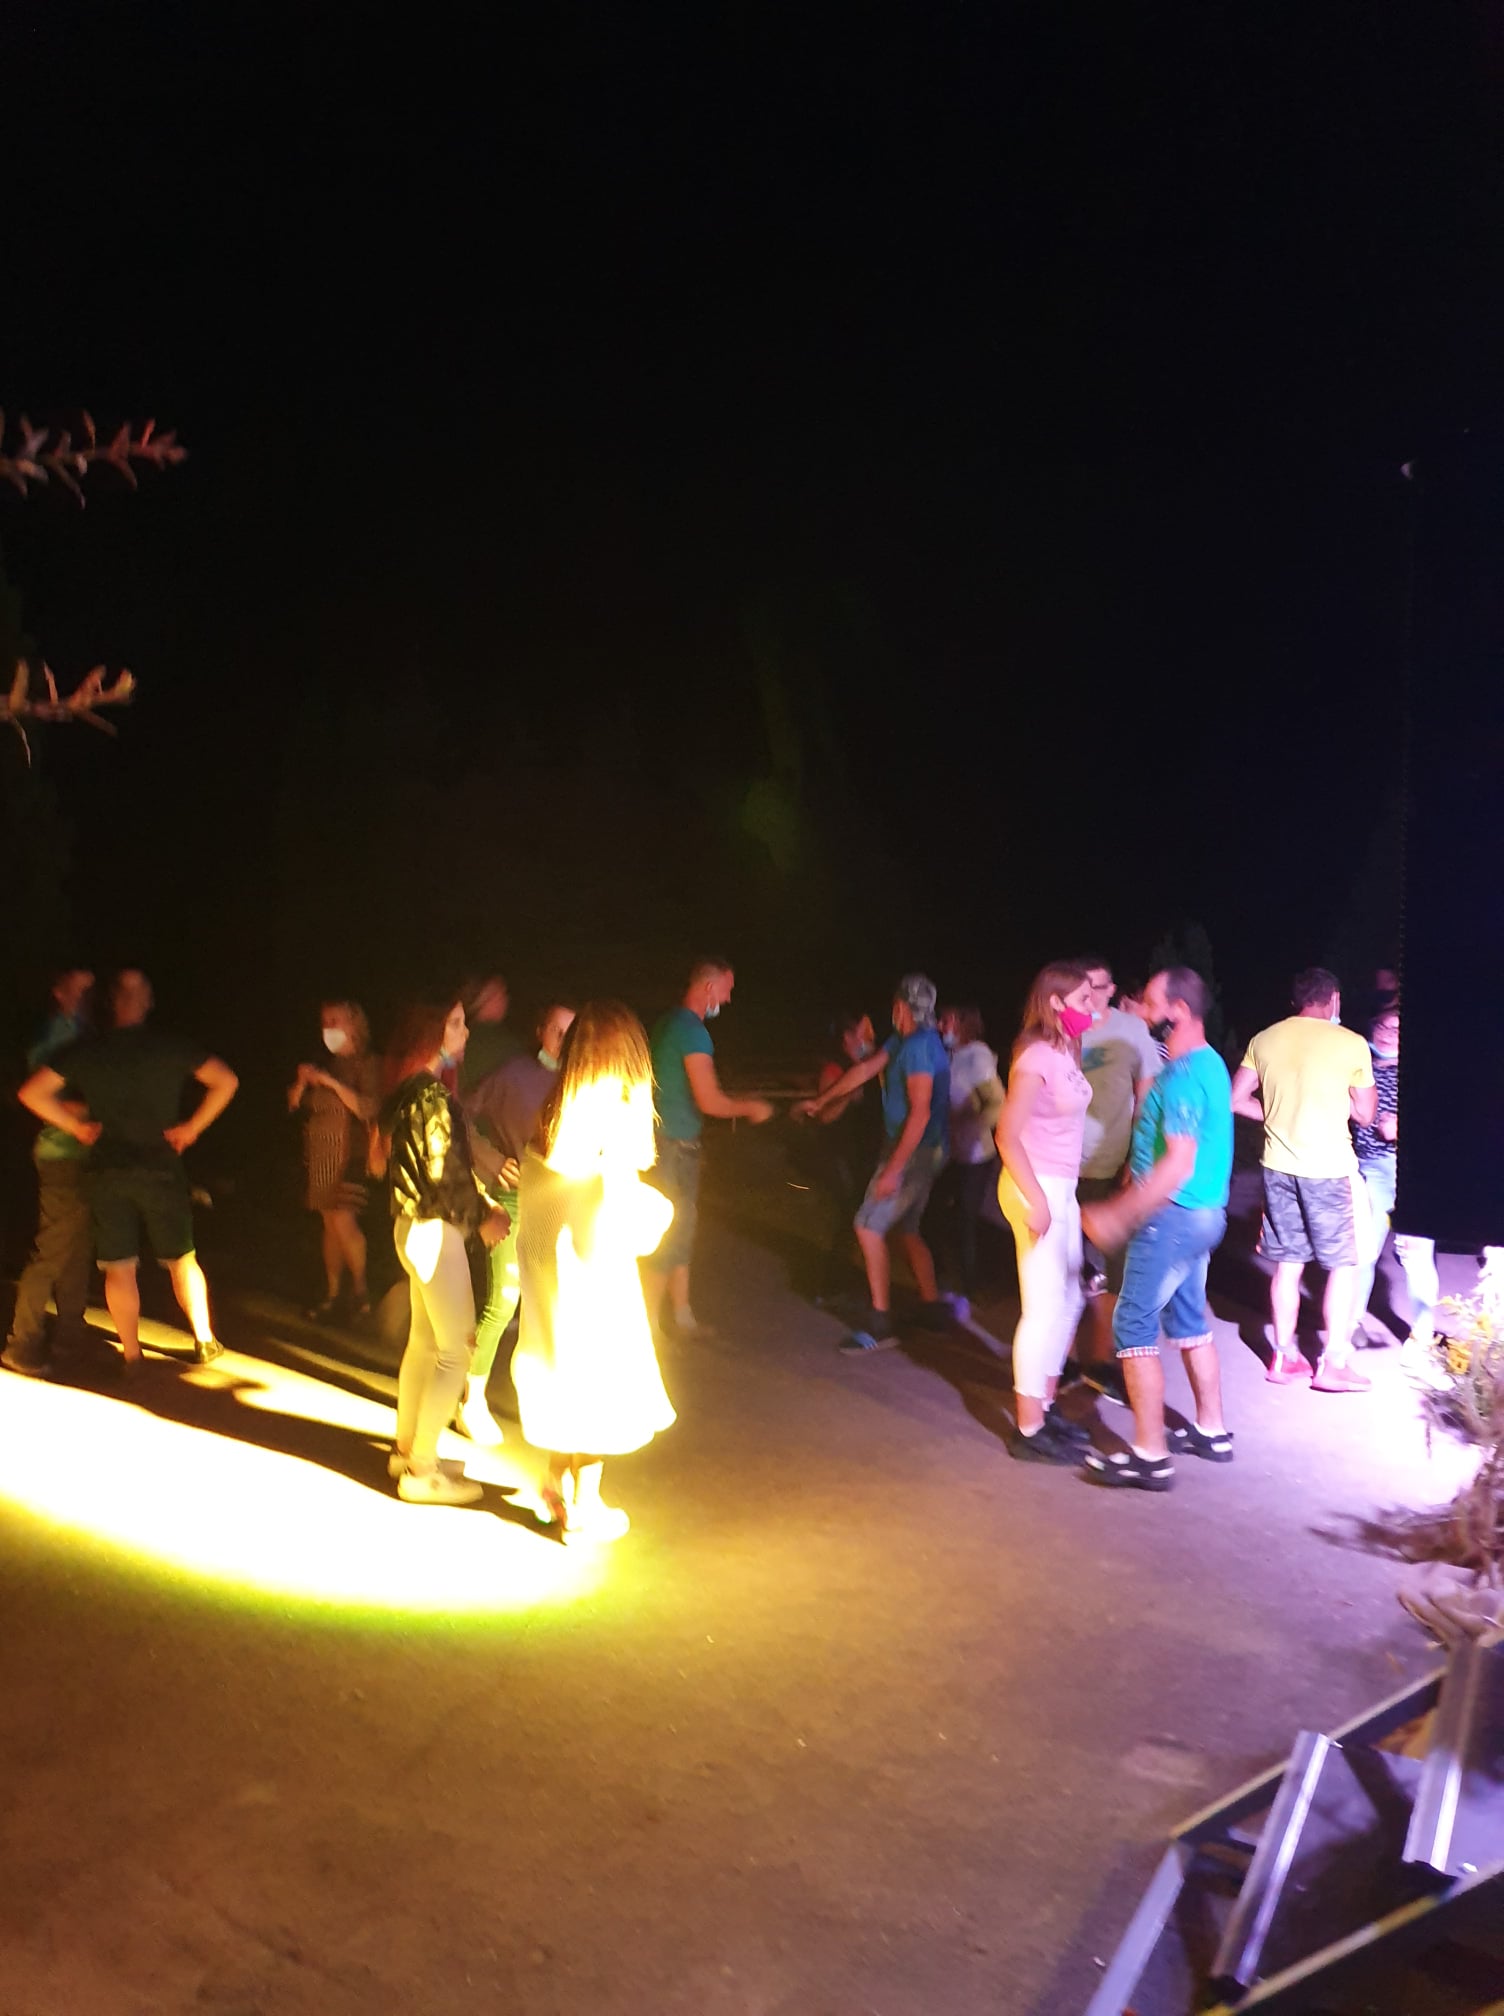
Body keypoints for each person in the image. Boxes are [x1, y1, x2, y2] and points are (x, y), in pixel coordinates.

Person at [16, 969, 237, 1373]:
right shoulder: (171, 1046)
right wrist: (192, 1128)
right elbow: (226, 1081)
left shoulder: (88, 1049)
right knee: (181, 1259)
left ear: (111, 1002)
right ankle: (204, 1339)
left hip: (107, 1169)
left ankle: (132, 1355)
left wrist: (78, 1128)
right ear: (148, 1002)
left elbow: (31, 1093)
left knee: (119, 1266)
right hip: (161, 1168)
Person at [513, 1000, 676, 1543]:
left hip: (549, 1282)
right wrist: (660, 1212)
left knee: (563, 1380)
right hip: (595, 1286)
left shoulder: (553, 1119)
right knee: (598, 1391)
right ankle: (585, 1508)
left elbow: (543, 1205)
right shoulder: (610, 1133)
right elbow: (625, 1226)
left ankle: (553, 1486)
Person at [1079, 966, 1235, 1491]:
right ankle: (1212, 1431)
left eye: (1150, 1004)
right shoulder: (1208, 1063)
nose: (1142, 1012)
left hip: (1171, 1219)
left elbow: (1177, 1164)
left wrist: (1118, 1214)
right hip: (1203, 1216)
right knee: (1188, 1320)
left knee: (1132, 1324)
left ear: (1179, 1012)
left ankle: (1150, 1456)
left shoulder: (1186, 1074)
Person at [379, 997, 510, 1505]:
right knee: (456, 1351)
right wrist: (483, 1216)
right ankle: (422, 1469)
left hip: (411, 1227)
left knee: (425, 1344)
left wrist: (477, 1204)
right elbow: (442, 1175)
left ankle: (409, 1448)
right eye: (455, 1023)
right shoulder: (432, 1096)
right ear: (430, 1032)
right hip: (436, 1232)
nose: (465, 1032)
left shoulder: (409, 1090)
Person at [1231, 967, 1378, 1392]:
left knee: (1288, 1265)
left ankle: (1283, 1357)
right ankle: (1333, 1363)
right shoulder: (1350, 1043)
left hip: (1279, 1168)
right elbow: (1366, 1114)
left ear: (1297, 1000)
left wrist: (1277, 1116)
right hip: (1331, 1171)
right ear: (1333, 999)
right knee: (1344, 1266)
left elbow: (1236, 1099)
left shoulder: (1264, 1039)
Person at [797, 973, 953, 1354]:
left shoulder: (918, 1046)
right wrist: (822, 1100)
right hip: (923, 1149)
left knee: (867, 1226)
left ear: (900, 1007)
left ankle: (880, 1321)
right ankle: (931, 1308)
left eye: (896, 1007)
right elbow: (865, 1069)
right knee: (907, 1228)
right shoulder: (905, 1039)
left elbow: (919, 1113)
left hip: (913, 1151)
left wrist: (894, 1170)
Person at [457, 1000, 577, 1443]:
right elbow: (460, 1115)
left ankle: (540, 1399)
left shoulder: (579, 1081)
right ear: (541, 1030)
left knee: (548, 1303)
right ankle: (471, 1398)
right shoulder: (513, 1074)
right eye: (557, 1029)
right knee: (504, 1299)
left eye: (571, 1031)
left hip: (559, 1202)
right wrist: (490, 1159)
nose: (563, 1039)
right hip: (515, 1197)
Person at [995, 961, 1095, 1458]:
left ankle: (1045, 1406)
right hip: (1034, 1186)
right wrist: (1036, 1200)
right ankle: (1029, 1431)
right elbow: (1006, 1134)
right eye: (1083, 999)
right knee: (1043, 1308)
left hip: (1061, 1187)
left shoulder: (1066, 1049)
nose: (1091, 1007)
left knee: (1071, 1299)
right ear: (1055, 1002)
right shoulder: (1035, 1055)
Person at [643, 958, 773, 1340]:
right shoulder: (692, 1032)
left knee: (680, 1229)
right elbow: (710, 1100)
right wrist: (751, 1107)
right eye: (727, 990)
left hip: (663, 1141)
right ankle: (649, 1327)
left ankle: (682, 1316)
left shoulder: (667, 1023)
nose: (728, 999)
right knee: (667, 1235)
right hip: (673, 1146)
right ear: (708, 987)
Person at [1075, 959, 1163, 1394]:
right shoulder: (1065, 1027)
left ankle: (1100, 1361)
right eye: (1082, 987)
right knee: (1066, 1269)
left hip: (1109, 1165)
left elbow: (1148, 1097)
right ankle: (1065, 1362)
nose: (1089, 994)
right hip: (1061, 1166)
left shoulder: (1131, 1031)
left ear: (1111, 989)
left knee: (1110, 1272)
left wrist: (1137, 1159)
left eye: (1098, 986)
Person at [3, 968, 96, 1377]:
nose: (86, 996)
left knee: (77, 1250)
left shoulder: (83, 1032)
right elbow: (41, 1095)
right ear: (58, 992)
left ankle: (70, 1338)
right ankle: (22, 1342)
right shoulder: (56, 1035)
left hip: (80, 1154)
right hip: (61, 1153)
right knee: (55, 1249)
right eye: (78, 988)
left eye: (90, 989)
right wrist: (106, 1106)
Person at [1350, 1005, 1441, 1372]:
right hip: (1369, 1169)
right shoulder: (1359, 1069)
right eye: (1383, 1026)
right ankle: (1350, 1323)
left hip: (1410, 1172)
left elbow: (1441, 1123)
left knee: (1417, 1255)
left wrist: (1402, 1128)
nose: (1388, 1034)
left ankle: (1422, 1338)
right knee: (1363, 1250)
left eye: (1397, 1029)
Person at [286, 999, 379, 1321]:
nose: (328, 1028)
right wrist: (301, 1081)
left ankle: (362, 1292)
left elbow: (368, 1108)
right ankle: (333, 1293)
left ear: (354, 1024)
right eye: (325, 1021)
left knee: (343, 1219)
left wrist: (331, 1083)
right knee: (330, 1223)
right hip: (319, 1155)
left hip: (350, 1153)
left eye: (335, 1021)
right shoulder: (323, 1062)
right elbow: (294, 1105)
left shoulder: (366, 1063)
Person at [799, 1009, 883, 1300]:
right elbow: (826, 1116)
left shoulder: (862, 1066)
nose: (867, 1039)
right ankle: (829, 1284)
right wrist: (847, 1094)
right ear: (847, 1038)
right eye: (861, 1034)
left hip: (861, 1154)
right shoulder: (834, 1070)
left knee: (857, 1218)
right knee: (849, 1217)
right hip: (839, 1153)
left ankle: (841, 1277)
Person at [932, 1003, 1003, 1315]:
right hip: (951, 1151)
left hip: (975, 1155)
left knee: (965, 1220)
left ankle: (972, 1286)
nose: (940, 1026)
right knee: (935, 1211)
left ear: (963, 1022)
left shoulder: (977, 1055)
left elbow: (997, 1103)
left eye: (946, 1020)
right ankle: (942, 1274)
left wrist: (968, 1127)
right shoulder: (951, 1055)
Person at [458, 973, 521, 1092]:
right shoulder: (502, 1042)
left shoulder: (461, 1039)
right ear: (486, 1000)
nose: (506, 999)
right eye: (502, 994)